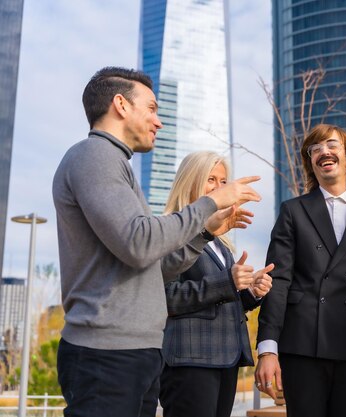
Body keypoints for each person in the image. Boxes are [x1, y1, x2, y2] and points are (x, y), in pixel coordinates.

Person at [52, 67, 260, 417]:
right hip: (107, 354)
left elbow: (152, 265)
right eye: (151, 108)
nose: (158, 121)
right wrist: (210, 203)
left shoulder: (117, 165)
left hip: (135, 354)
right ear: (120, 104)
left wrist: (205, 231)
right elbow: (139, 243)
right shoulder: (95, 156)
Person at [254, 124, 346, 417]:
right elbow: (278, 282)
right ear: (310, 163)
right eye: (314, 149)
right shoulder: (293, 211)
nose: (323, 152)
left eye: (331, 145)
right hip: (302, 346)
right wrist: (268, 348)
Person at [158, 151, 274, 417]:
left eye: (223, 181)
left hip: (225, 358)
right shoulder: (169, 228)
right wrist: (227, 281)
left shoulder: (222, 240)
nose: (220, 188)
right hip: (190, 360)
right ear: (191, 182)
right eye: (211, 179)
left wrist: (250, 292)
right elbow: (165, 296)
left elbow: (220, 297)